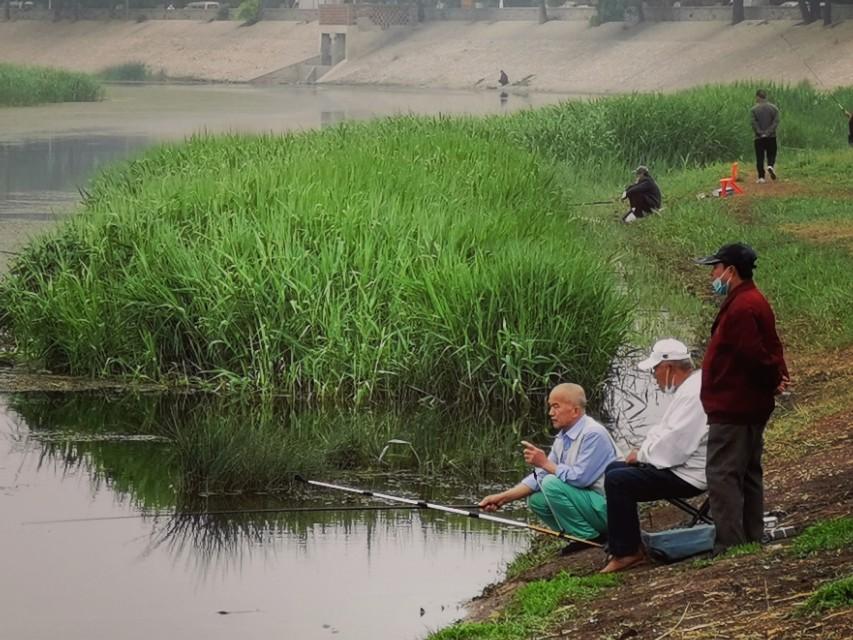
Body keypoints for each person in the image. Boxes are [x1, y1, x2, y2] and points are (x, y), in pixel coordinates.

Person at [694, 242, 788, 555]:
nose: (712, 275)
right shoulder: (750, 300)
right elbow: (772, 348)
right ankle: (749, 536)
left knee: (723, 475)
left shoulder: (743, 307)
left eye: (716, 268)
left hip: (735, 406)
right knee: (747, 472)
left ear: (731, 271)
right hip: (746, 404)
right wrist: (775, 378)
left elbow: (755, 354)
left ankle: (730, 544)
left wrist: (773, 379)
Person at [600, 339, 709, 573]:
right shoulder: (691, 386)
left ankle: (627, 553)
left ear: (668, 367)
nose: (653, 376)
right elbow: (663, 432)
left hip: (690, 474)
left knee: (618, 481)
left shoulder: (693, 394)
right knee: (614, 469)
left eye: (654, 370)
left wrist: (641, 455)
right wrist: (641, 453)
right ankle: (627, 542)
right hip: (683, 465)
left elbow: (675, 449)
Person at [479, 383, 619, 553]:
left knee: (551, 484)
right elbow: (539, 476)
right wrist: (502, 498)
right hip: (592, 506)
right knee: (536, 500)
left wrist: (544, 462)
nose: (550, 413)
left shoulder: (593, 434)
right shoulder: (563, 436)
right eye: (550, 407)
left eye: (555, 407)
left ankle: (588, 538)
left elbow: (580, 479)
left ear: (575, 411)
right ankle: (582, 536)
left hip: (611, 509)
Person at [751, 89, 780, 183]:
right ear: (765, 97)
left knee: (760, 157)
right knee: (771, 153)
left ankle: (761, 177)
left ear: (758, 97)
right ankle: (770, 165)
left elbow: (754, 123)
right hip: (771, 137)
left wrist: (760, 133)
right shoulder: (774, 108)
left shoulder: (754, 110)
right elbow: (775, 122)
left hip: (758, 138)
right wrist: (768, 132)